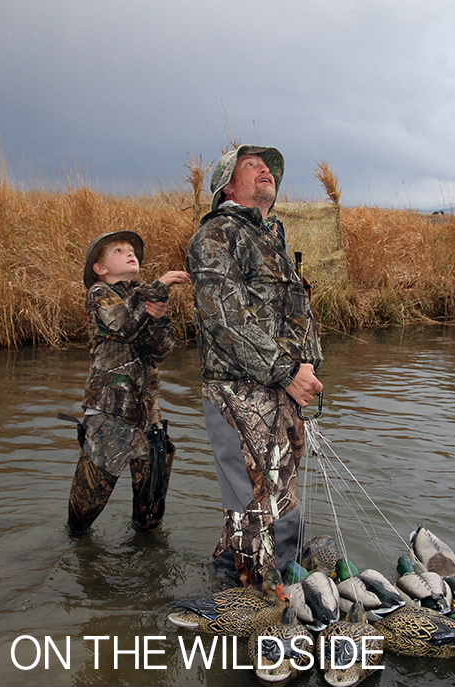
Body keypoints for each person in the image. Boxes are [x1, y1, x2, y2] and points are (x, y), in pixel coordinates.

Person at [185, 145, 323, 589]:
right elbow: (225, 322)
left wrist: (307, 369)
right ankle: (248, 599)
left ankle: (257, 582)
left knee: (281, 500)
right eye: (251, 165)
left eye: (268, 167)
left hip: (284, 392)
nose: (265, 169)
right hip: (239, 392)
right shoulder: (216, 237)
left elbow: (295, 312)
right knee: (253, 504)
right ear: (228, 185)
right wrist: (288, 371)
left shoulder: (272, 238)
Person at [67, 230, 190, 534]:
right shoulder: (98, 293)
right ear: (101, 269)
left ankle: (148, 563)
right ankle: (77, 559)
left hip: (148, 412)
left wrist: (159, 316)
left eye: (131, 250)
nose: (131, 253)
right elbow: (124, 325)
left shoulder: (143, 296)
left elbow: (161, 350)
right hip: (111, 411)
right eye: (119, 251)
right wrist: (159, 288)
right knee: (82, 517)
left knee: (151, 514)